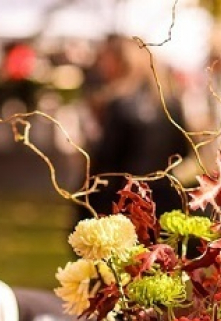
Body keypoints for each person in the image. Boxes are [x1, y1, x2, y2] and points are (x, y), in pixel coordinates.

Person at [76, 33, 189, 224]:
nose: (101, 65)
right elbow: (182, 152)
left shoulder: (117, 104)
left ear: (121, 62)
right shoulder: (170, 102)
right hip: (162, 197)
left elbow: (106, 158)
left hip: (121, 199)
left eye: (105, 59)